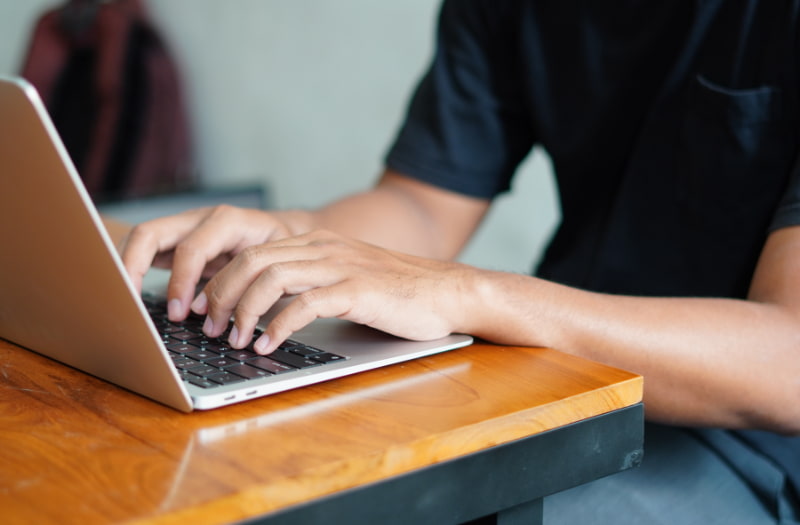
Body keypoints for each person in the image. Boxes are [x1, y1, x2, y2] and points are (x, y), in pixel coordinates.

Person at [121, 1, 800, 523]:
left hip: (749, 448)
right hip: (561, 385)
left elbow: (788, 361)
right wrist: (291, 238)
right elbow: (422, 203)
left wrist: (471, 294)